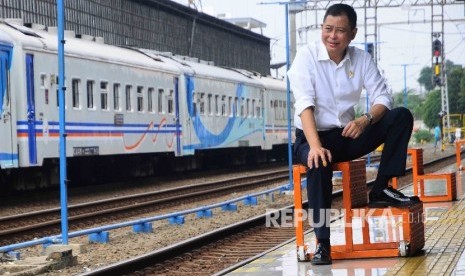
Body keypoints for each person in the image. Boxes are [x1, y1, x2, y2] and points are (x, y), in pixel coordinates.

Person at [287, 3, 420, 265]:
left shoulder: (361, 59)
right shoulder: (306, 56)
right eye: (327, 29)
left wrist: (365, 119)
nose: (332, 36)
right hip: (311, 136)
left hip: (347, 134)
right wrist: (315, 146)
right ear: (321, 29)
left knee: (401, 116)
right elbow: (304, 103)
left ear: (352, 34)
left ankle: (381, 188)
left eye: (340, 31)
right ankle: (322, 245)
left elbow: (383, 96)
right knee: (318, 161)